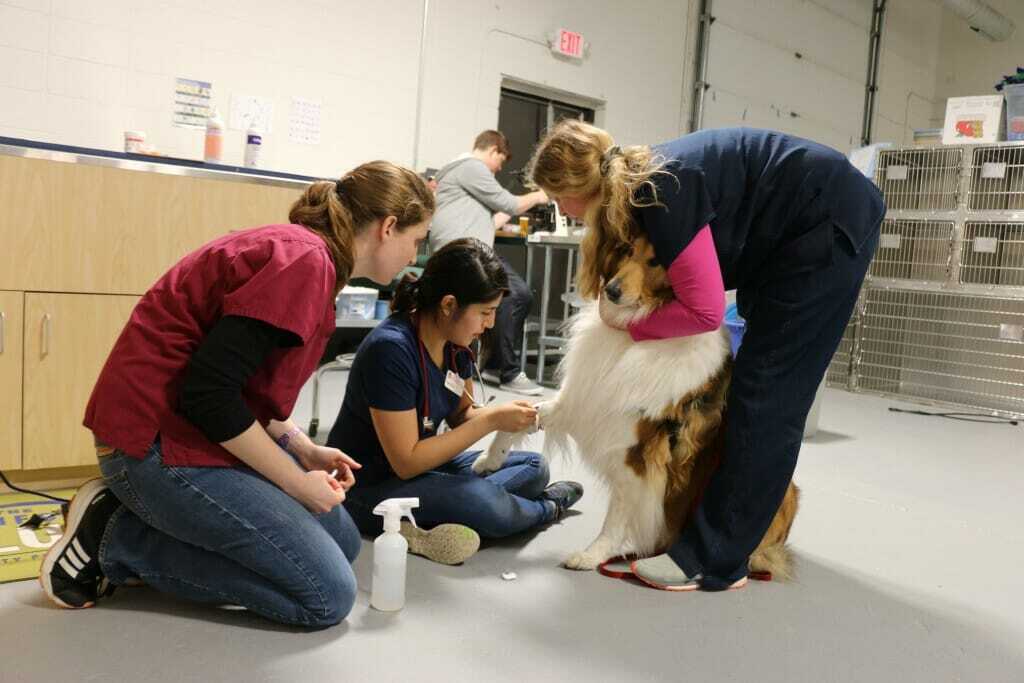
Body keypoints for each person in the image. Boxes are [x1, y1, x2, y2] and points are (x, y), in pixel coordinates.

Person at [40, 161, 435, 628]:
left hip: (191, 431)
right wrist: (294, 483)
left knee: (344, 544)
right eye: (416, 240)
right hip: (150, 445)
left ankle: (146, 520)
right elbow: (210, 396)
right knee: (326, 597)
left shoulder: (314, 261)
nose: (413, 256)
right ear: (388, 228)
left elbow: (244, 387)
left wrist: (303, 449)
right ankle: (117, 539)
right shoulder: (305, 262)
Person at [529, 121, 884, 591]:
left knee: (768, 395)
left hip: (826, 223)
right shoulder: (639, 187)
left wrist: (633, 328)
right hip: (792, 229)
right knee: (750, 390)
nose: (560, 210)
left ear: (576, 188)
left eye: (557, 200)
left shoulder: (659, 192)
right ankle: (721, 529)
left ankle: (714, 558)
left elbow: (703, 311)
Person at [326, 238, 583, 564]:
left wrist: (505, 415)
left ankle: (443, 516)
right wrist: (492, 421)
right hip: (370, 486)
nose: (489, 324)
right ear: (448, 305)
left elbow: (463, 414)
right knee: (482, 503)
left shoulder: (455, 344)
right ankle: (545, 508)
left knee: (535, 466)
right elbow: (406, 461)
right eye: (485, 313)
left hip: (426, 470)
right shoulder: (390, 350)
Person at [429, 130, 549, 396]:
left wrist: (505, 211)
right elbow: (510, 203)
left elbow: (491, 217)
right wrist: (541, 195)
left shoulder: (456, 174)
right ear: (494, 149)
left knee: (514, 295)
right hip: (467, 255)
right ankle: (507, 371)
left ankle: (496, 364)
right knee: (516, 294)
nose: (498, 169)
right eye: (501, 161)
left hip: (468, 250)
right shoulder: (470, 167)